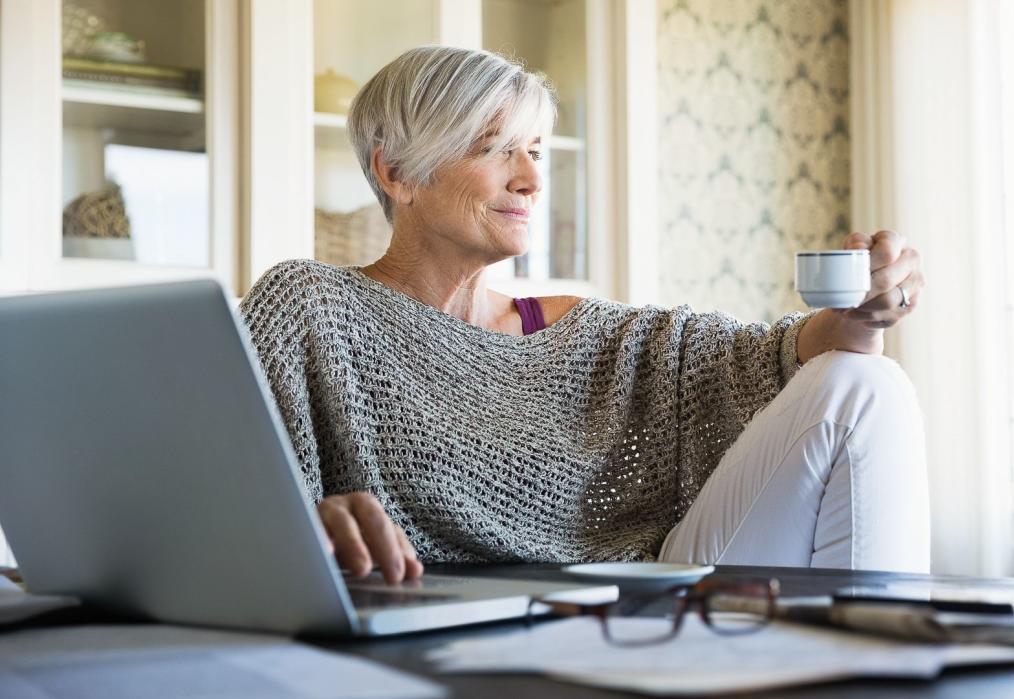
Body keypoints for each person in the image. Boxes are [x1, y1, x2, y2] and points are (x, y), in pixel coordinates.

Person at [240, 45, 928, 585]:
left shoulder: (581, 332)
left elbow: (776, 357)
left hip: (632, 605)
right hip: (422, 613)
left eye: (535, 151)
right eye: (494, 146)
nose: (533, 179)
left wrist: (866, 310)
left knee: (869, 382)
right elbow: (221, 507)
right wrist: (300, 526)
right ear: (396, 173)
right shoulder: (309, 306)